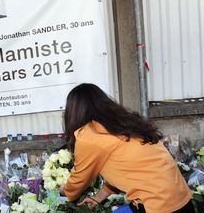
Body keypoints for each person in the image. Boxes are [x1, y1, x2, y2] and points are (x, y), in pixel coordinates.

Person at [59, 83, 194, 213]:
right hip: (183, 201)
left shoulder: (89, 135)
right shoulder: (122, 124)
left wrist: (63, 190)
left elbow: (79, 179)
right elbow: (130, 169)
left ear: (74, 112)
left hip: (157, 206)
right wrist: (99, 197)